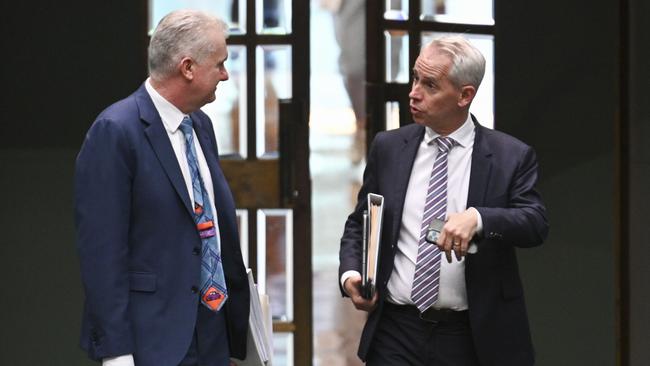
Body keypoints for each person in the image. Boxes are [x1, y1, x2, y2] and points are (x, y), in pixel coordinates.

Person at [339, 35, 548, 366]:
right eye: (415, 78)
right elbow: (360, 222)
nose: (414, 92)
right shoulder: (389, 147)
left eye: (430, 85)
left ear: (465, 95)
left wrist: (479, 218)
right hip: (395, 329)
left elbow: (535, 223)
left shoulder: (510, 156)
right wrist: (351, 274)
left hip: (471, 335)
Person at [74, 10, 249, 366]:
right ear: (188, 67)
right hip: (153, 341)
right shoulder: (116, 131)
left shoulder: (200, 125)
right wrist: (117, 354)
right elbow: (102, 254)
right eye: (219, 64)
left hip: (211, 332)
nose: (225, 75)